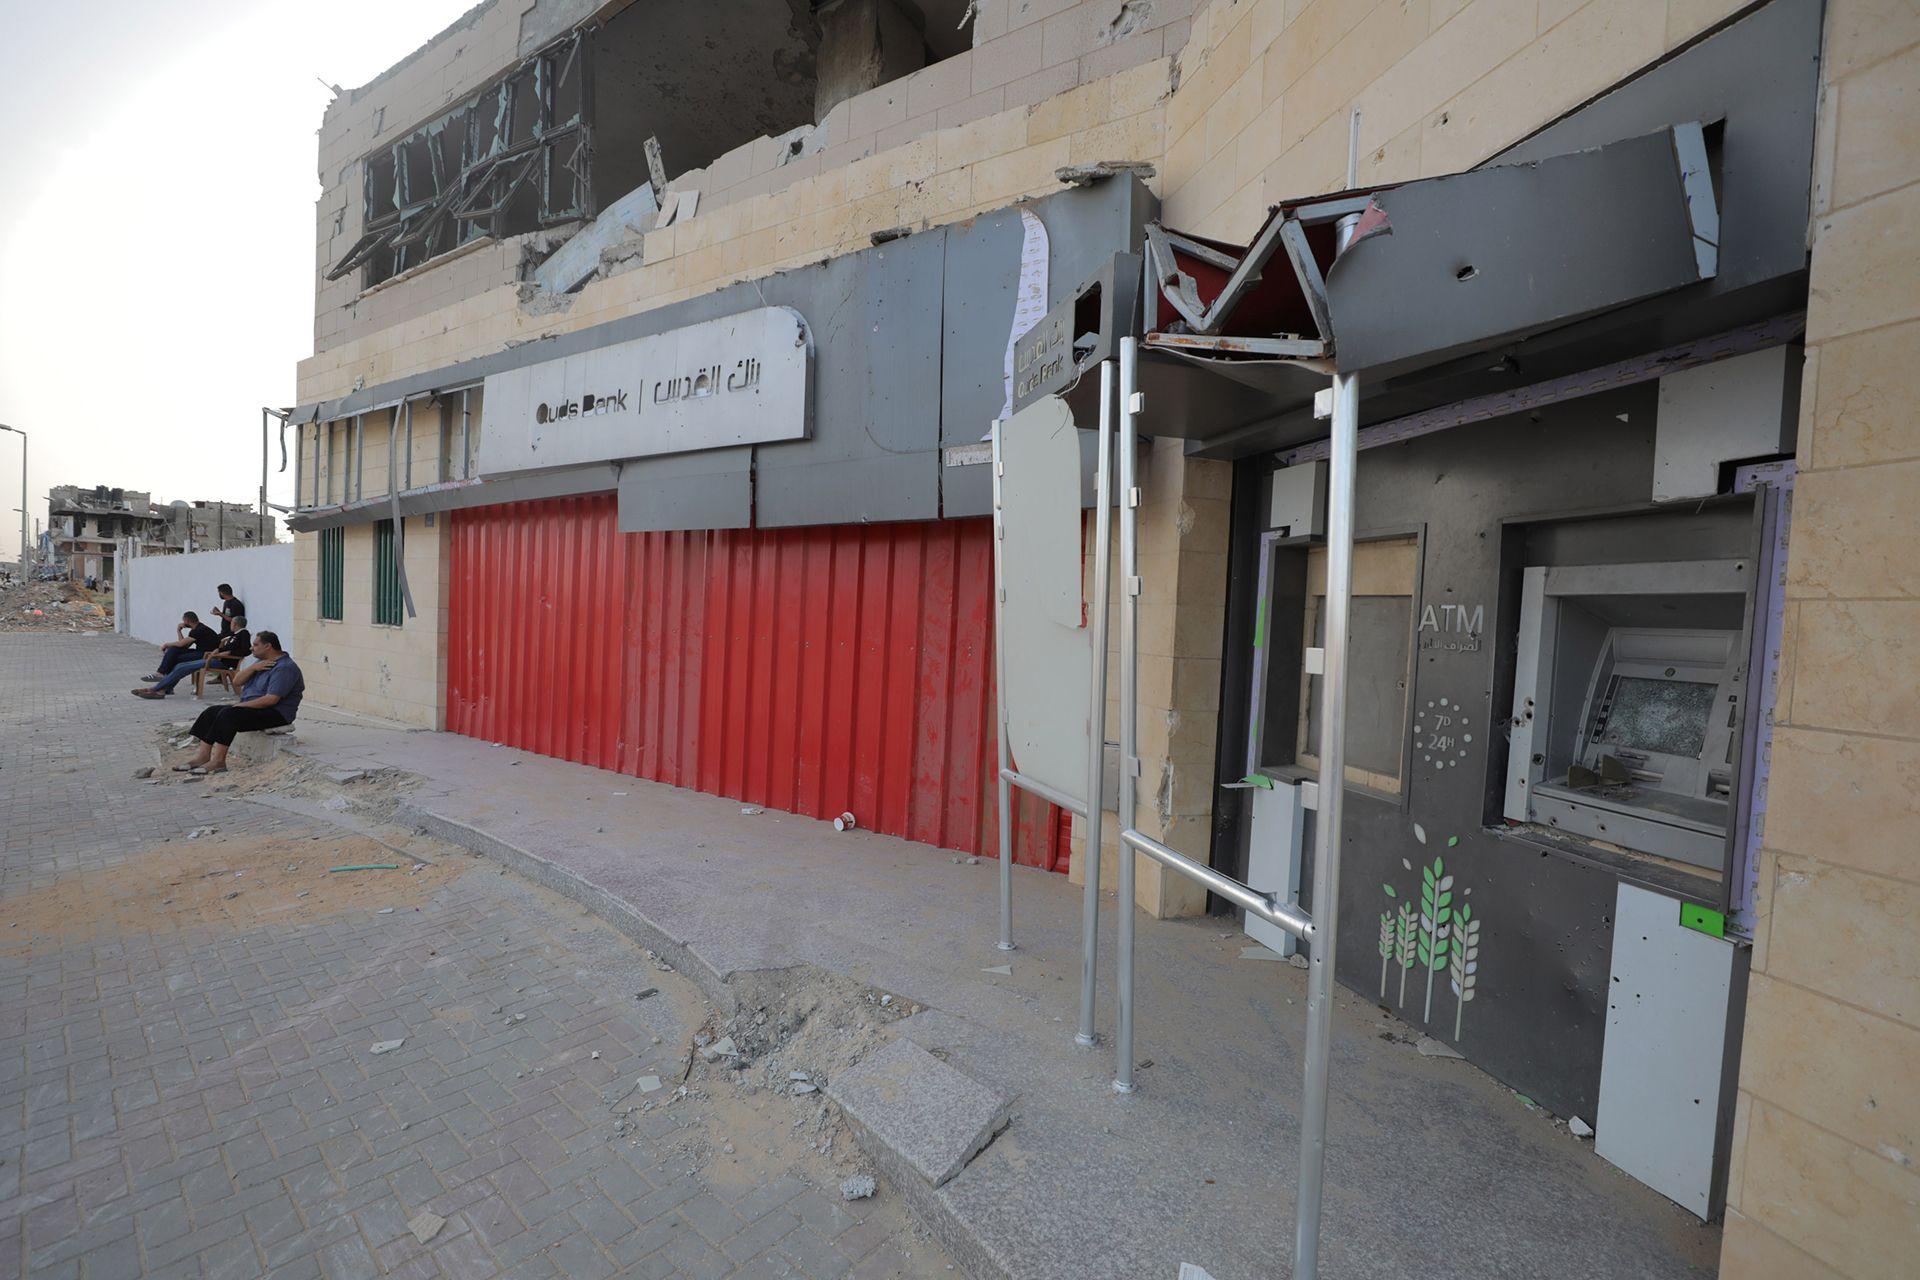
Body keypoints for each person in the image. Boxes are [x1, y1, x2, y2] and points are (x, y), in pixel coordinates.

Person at [173, 631, 304, 775]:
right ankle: (202, 757)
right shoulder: (261, 662)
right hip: (255, 708)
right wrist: (253, 668)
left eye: (255, 644)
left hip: (276, 713)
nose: (251, 648)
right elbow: (237, 681)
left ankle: (218, 762)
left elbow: (271, 699)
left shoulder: (284, 667)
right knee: (211, 712)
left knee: (229, 714)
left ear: (268, 646)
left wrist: (240, 706)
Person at [131, 616, 249, 699]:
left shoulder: (244, 634)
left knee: (181, 667)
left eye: (232, 623)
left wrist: (225, 653)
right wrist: (220, 651)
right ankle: (161, 689)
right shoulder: (235, 634)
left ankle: (155, 689)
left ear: (235, 624)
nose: (230, 625)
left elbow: (245, 650)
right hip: (214, 659)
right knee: (179, 665)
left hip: (222, 663)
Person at [145, 612, 219, 680]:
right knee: (174, 650)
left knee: (174, 658)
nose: (183, 623)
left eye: (184, 621)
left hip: (207, 654)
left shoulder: (199, 630)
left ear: (187, 621)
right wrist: (179, 631)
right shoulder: (198, 628)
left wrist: (166, 645)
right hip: (202, 652)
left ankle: (163, 677)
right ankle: (162, 677)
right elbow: (184, 645)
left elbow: (181, 644)